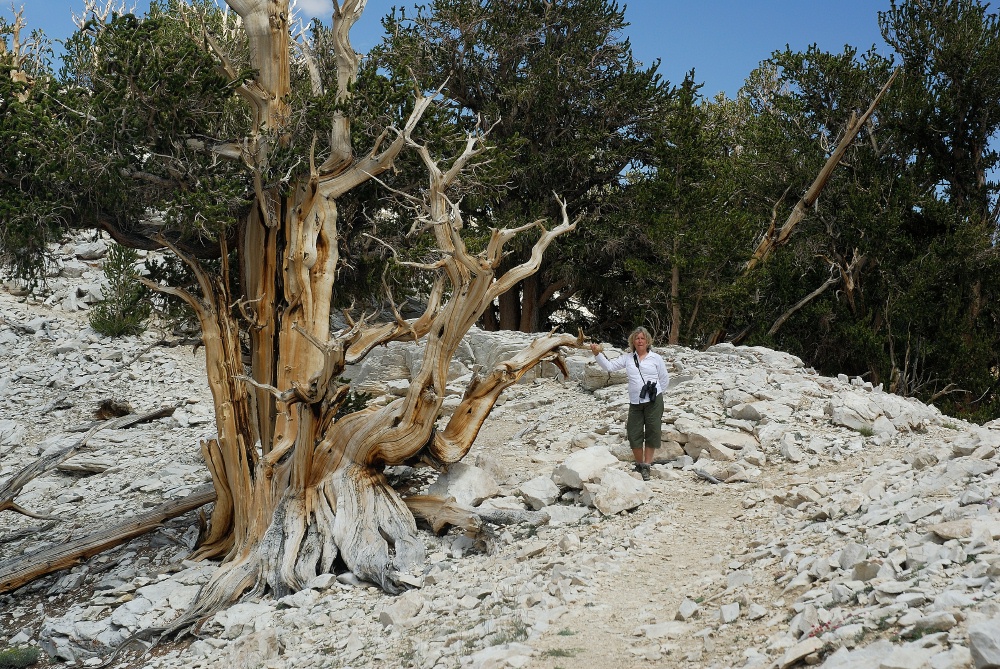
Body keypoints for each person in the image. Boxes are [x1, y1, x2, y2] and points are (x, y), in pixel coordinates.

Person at [590, 327, 670, 481]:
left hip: (654, 400)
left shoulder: (656, 358)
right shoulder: (627, 358)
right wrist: (597, 354)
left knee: (653, 431)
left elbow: (664, 379)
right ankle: (639, 464)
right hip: (635, 401)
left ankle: (646, 466)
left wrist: (657, 393)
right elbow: (609, 367)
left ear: (647, 341)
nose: (640, 341)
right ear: (633, 341)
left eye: (642, 338)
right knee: (634, 433)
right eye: (637, 338)